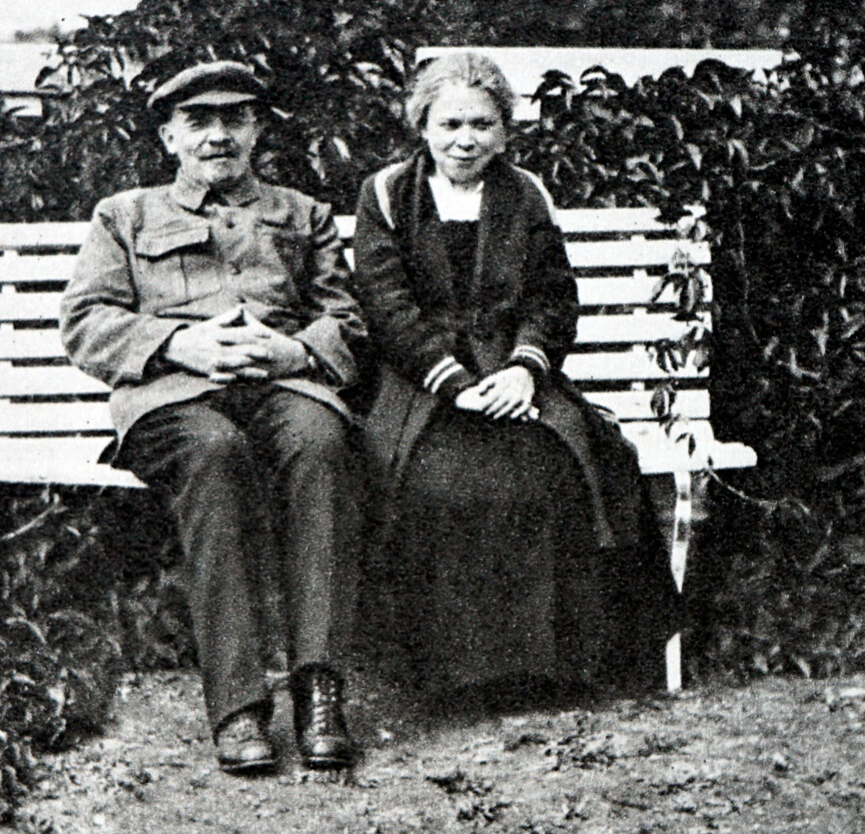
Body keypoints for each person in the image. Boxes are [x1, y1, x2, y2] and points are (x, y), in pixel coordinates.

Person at [60, 61, 366, 774]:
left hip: (283, 386)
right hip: (173, 397)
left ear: (258, 129)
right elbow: (85, 322)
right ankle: (238, 708)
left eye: (234, 119)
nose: (218, 135)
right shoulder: (125, 215)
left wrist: (292, 350)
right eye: (198, 121)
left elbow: (348, 319)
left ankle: (320, 691)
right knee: (215, 453)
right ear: (170, 136)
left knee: (322, 444)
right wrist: (179, 343)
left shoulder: (302, 213)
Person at [353, 51, 678, 701]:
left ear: (503, 130)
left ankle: (553, 670)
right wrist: (455, 384)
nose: (464, 139)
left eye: (480, 124)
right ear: (422, 126)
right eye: (449, 124)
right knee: (439, 484)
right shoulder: (386, 194)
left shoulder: (526, 193)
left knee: (558, 472)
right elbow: (386, 307)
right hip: (423, 381)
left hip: (515, 370)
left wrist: (525, 370)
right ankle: (453, 679)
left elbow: (553, 298)